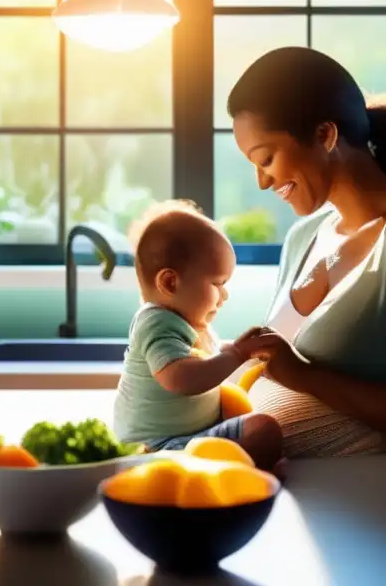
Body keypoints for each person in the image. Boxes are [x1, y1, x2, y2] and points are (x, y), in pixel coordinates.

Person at [226, 46, 386, 465]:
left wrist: (306, 377)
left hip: (381, 509)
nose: (262, 182)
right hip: (300, 504)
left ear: (325, 135)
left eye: (267, 159)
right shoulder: (304, 237)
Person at [112, 200, 284, 470]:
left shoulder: (189, 323)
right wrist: (238, 354)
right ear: (170, 282)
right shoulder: (156, 322)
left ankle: (228, 467)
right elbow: (182, 378)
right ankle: (225, 471)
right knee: (263, 431)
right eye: (217, 283)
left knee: (263, 428)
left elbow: (206, 358)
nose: (224, 295)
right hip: (158, 446)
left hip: (190, 437)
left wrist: (248, 352)